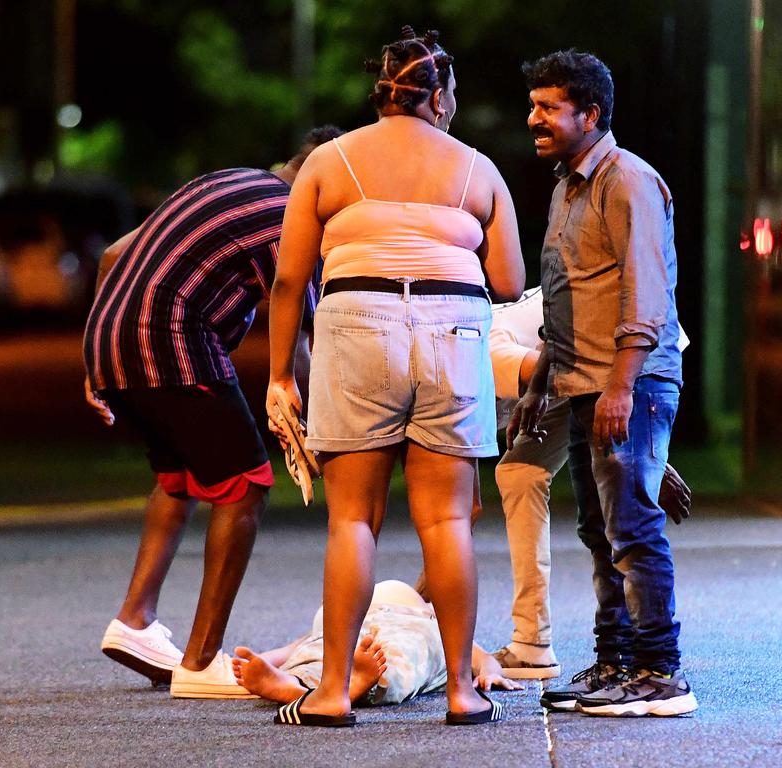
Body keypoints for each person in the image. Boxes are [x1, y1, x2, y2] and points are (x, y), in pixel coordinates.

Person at [267, 26, 525, 726]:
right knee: (447, 521)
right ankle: (463, 693)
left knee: (353, 519)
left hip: (356, 327)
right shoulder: (477, 169)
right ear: (438, 97)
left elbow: (291, 279)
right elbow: (508, 279)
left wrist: (279, 376)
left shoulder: (328, 160)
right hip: (453, 330)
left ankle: (328, 693)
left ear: (380, 92)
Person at [82, 126, 343, 697]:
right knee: (246, 485)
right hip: (171, 343)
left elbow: (112, 255)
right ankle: (200, 662)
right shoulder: (287, 214)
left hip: (111, 340)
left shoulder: (225, 180)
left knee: (180, 479)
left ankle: (136, 621)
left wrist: (99, 355)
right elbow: (303, 329)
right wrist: (327, 423)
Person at [510, 50, 697, 717]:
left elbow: (645, 296)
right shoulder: (568, 185)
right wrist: (537, 387)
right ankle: (616, 659)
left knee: (634, 528)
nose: (534, 118)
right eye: (534, 105)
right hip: (583, 381)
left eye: (548, 107)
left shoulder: (629, 183)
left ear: (590, 113)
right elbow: (563, 297)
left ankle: (660, 671)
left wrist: (621, 387)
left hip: (632, 382)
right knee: (600, 529)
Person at [485, 289, 691, 680]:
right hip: (579, 365)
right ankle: (533, 643)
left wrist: (649, 460)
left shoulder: (486, 352)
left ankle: (646, 662)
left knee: (617, 518)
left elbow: (559, 366)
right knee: (518, 473)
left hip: (628, 354)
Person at [231, 580, 522, 711]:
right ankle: (349, 685)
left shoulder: (433, 618)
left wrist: (263, 662)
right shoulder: (442, 624)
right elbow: (480, 657)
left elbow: (292, 648)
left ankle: (299, 685)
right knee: (403, 658)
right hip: (404, 625)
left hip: (344, 624)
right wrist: (490, 672)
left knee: (317, 653)